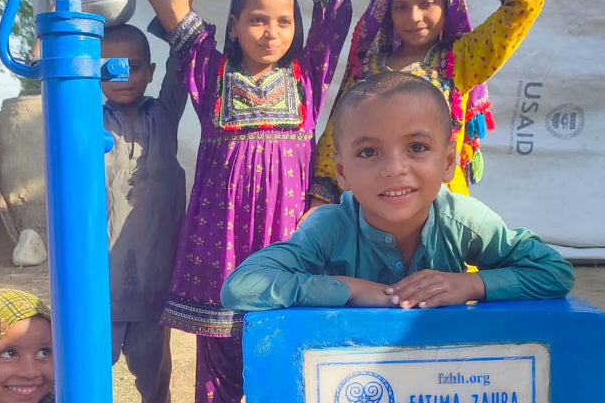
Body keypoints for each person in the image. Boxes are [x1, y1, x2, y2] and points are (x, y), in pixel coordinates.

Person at [156, 0, 352, 403]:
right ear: (235, 26)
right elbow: (176, 9)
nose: (272, 32)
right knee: (218, 338)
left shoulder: (307, 75)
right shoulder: (211, 73)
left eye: (284, 21)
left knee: (281, 333)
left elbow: (337, 8)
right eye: (259, 20)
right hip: (221, 233)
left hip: (286, 231)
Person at [221, 72, 574, 313]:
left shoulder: (463, 221)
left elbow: (554, 272)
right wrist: (353, 290)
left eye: (417, 147)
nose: (394, 168)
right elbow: (242, 287)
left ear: (449, 160)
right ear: (341, 172)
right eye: (369, 152)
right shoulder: (329, 227)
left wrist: (469, 285)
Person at [309, 0, 545, 205]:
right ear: (386, 11)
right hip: (373, 213)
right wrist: (319, 206)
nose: (414, 17)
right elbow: (337, 140)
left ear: (448, 4)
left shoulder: (462, 61)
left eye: (427, 3)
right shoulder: (366, 71)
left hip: (441, 215)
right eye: (401, 7)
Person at [95, 0, 190, 403]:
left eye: (134, 65)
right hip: (101, 286)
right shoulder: (87, 117)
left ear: (149, 73)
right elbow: (53, 66)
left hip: (155, 282)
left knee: (154, 372)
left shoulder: (164, 114)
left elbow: (184, 46)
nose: (123, 75)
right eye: (109, 66)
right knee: (90, 374)